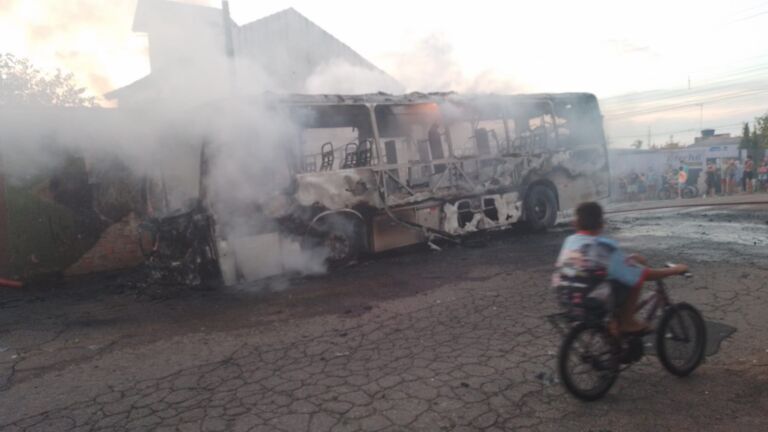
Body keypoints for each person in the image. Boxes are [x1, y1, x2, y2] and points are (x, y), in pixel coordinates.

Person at [553, 202, 689, 333]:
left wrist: (630, 259)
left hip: (565, 297)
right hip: (589, 301)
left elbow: (592, 262)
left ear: (576, 223)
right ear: (601, 223)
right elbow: (642, 274)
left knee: (608, 276)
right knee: (634, 278)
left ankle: (614, 323)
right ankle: (627, 322)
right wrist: (674, 270)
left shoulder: (570, 240)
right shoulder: (605, 247)